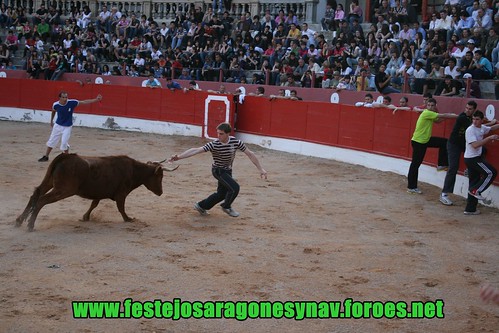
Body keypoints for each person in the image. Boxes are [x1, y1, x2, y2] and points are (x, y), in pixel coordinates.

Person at [169, 122, 267, 217]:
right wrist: (179, 157)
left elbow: (250, 154)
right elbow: (196, 150)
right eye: (218, 133)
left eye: (221, 134)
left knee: (221, 194)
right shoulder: (214, 144)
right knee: (234, 188)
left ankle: (201, 206)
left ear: (228, 134)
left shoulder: (235, 142)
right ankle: (226, 206)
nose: (218, 136)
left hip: (228, 171)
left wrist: (261, 169)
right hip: (218, 170)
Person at [406, 98, 458, 194]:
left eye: (432, 105)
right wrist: (455, 116)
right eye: (428, 105)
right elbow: (442, 115)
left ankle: (441, 164)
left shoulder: (429, 114)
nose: (430, 107)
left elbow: (438, 121)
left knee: (444, 142)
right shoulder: (427, 113)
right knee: (415, 164)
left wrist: (447, 116)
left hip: (424, 140)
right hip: (419, 142)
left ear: (435, 106)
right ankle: (411, 186)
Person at [38, 92, 103, 162]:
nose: (65, 99)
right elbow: (53, 111)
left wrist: (96, 100)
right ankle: (46, 156)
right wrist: (51, 121)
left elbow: (84, 102)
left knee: (64, 143)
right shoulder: (56, 105)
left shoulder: (71, 102)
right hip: (58, 125)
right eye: (63, 97)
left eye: (66, 97)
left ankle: (66, 159)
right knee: (52, 141)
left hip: (67, 126)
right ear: (59, 98)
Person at [463, 110, 499, 215]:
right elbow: (475, 145)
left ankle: (470, 209)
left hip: (472, 158)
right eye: (473, 119)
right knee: (491, 172)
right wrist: (489, 138)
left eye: (477, 119)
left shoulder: (481, 128)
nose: (474, 121)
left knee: (474, 181)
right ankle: (476, 190)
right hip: (473, 159)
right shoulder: (470, 130)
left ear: (482, 120)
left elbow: (491, 128)